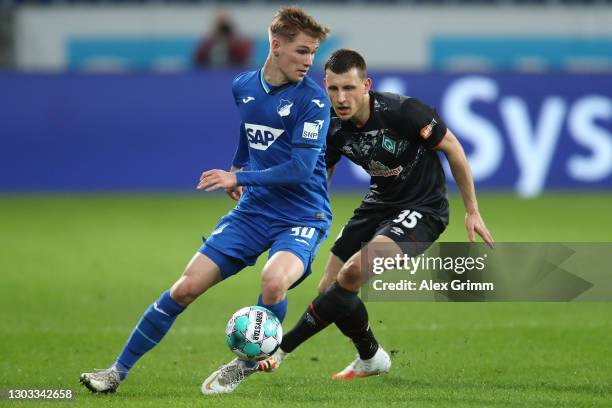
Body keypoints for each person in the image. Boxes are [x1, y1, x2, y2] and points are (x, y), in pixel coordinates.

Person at [79, 6, 331, 395]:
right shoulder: (244, 86)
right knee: (184, 288)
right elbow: (250, 131)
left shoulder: (312, 100)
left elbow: (300, 169)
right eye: (302, 51)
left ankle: (248, 360)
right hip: (255, 210)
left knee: (273, 281)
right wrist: (238, 164)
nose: (309, 61)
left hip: (302, 214)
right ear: (276, 46)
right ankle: (115, 372)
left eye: (313, 53)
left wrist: (238, 175)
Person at [220, 48, 495, 391]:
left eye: (349, 88)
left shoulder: (404, 111)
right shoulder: (331, 126)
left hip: (424, 208)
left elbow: (452, 147)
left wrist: (472, 210)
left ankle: (280, 351)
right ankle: (371, 356)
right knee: (329, 289)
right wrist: (306, 216)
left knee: (352, 272)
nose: (341, 98)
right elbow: (320, 174)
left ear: (366, 85)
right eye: (333, 89)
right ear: (325, 86)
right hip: (378, 203)